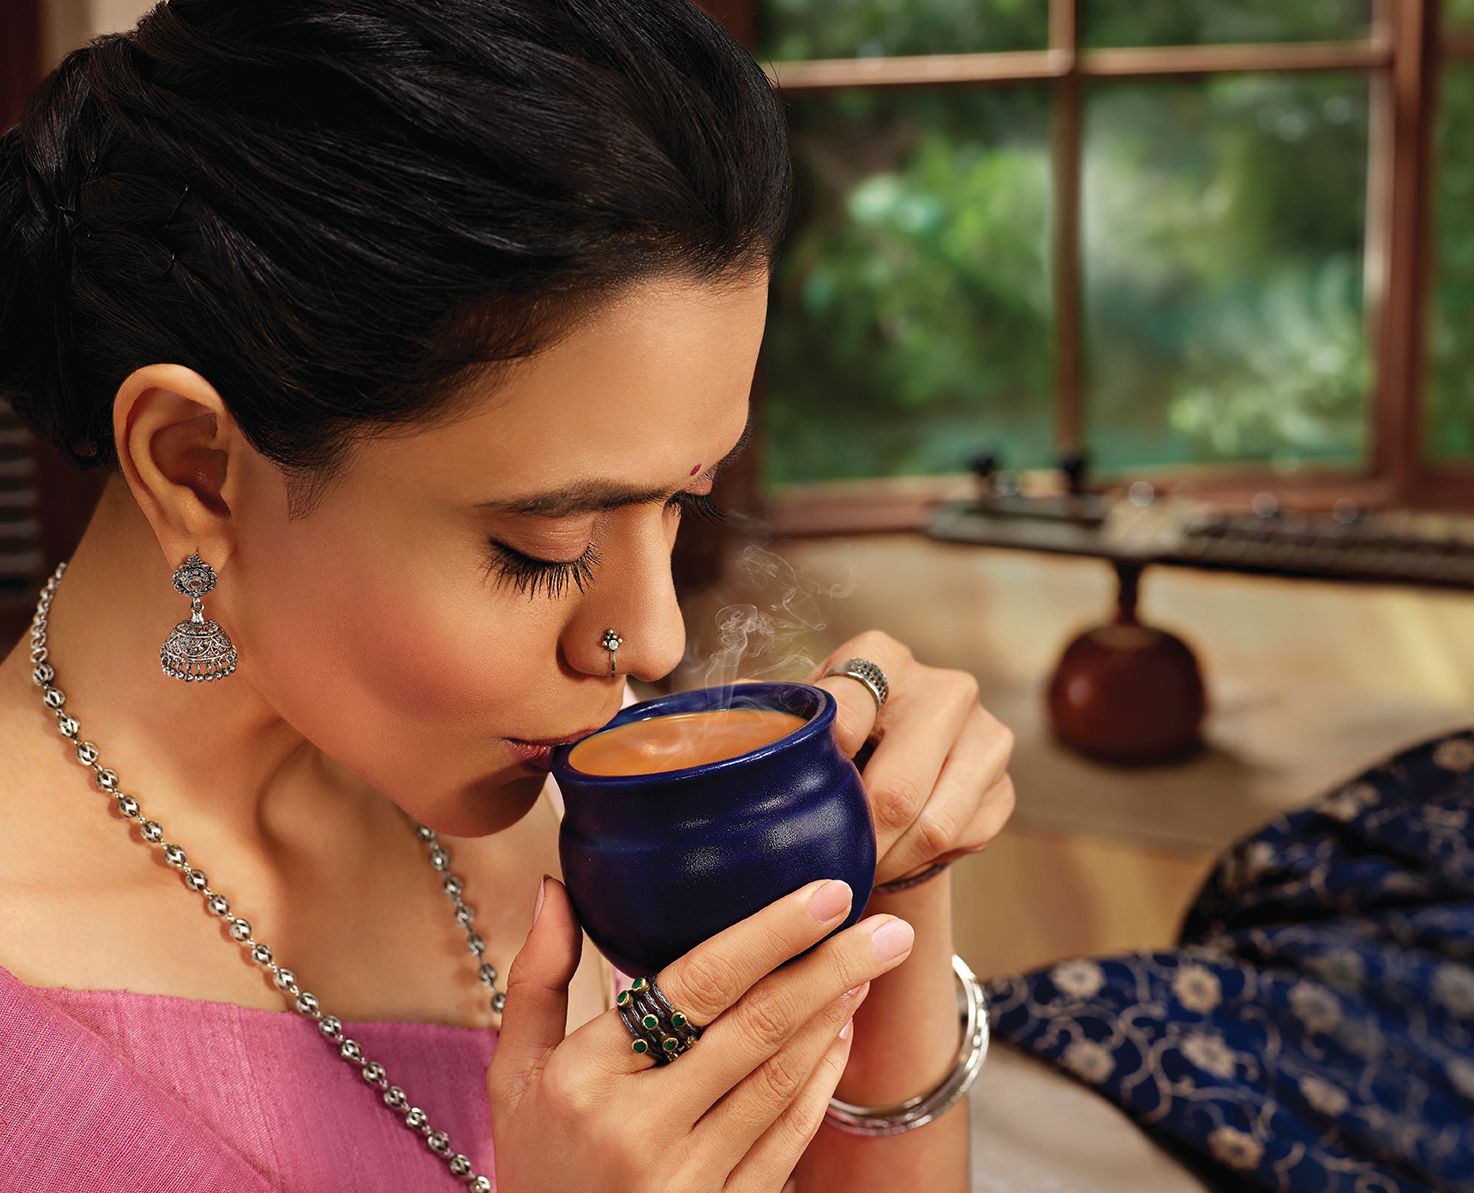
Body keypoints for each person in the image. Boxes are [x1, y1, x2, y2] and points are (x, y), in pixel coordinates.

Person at [0, 2, 1125, 1189]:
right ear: (196, 467)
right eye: (543, 543)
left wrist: (884, 926)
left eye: (680, 500)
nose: (654, 637)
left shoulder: (551, 806)